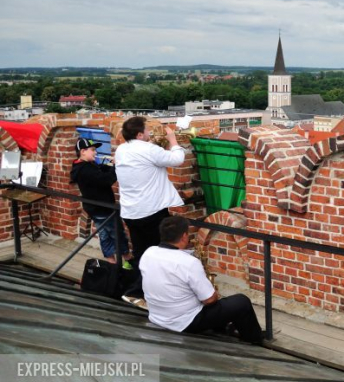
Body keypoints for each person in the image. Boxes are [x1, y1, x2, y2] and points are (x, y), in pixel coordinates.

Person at [140, 216, 263, 344]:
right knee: (241, 302)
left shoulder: (148, 253)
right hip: (184, 323)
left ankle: (225, 328)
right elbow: (210, 299)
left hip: (157, 316)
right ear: (183, 236)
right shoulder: (189, 262)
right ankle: (255, 341)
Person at [115, 116, 185, 301]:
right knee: (160, 253)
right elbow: (177, 159)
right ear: (139, 134)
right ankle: (146, 293)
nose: (150, 133)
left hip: (131, 212)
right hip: (151, 211)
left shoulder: (121, 149)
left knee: (142, 253)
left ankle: (139, 292)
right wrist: (173, 141)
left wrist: (152, 145)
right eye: (147, 131)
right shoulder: (148, 149)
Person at [70, 137, 132, 267]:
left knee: (105, 235)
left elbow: (100, 169)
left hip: (95, 209)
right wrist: (115, 166)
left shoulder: (84, 165)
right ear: (83, 151)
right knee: (117, 234)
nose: (95, 152)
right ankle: (128, 261)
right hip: (103, 209)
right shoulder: (85, 169)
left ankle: (111, 263)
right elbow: (106, 180)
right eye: (92, 150)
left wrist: (110, 165)